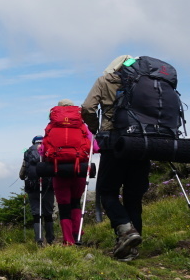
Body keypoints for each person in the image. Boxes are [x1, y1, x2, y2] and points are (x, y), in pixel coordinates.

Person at [81, 55, 145, 260]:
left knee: (107, 191)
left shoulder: (105, 80)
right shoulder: (146, 82)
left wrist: (96, 129)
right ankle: (132, 247)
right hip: (144, 143)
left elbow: (88, 108)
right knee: (133, 197)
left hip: (114, 141)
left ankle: (126, 230)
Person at [40, 100, 97, 245]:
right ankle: (77, 234)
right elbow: (95, 148)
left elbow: (42, 150)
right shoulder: (82, 127)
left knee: (64, 205)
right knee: (75, 203)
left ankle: (68, 240)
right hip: (79, 170)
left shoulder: (51, 127)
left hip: (58, 170)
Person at [19, 136, 55, 246]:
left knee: (36, 214)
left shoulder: (27, 152)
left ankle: (39, 240)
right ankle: (50, 240)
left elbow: (22, 174)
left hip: (33, 186)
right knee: (48, 214)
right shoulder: (49, 149)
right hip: (48, 186)